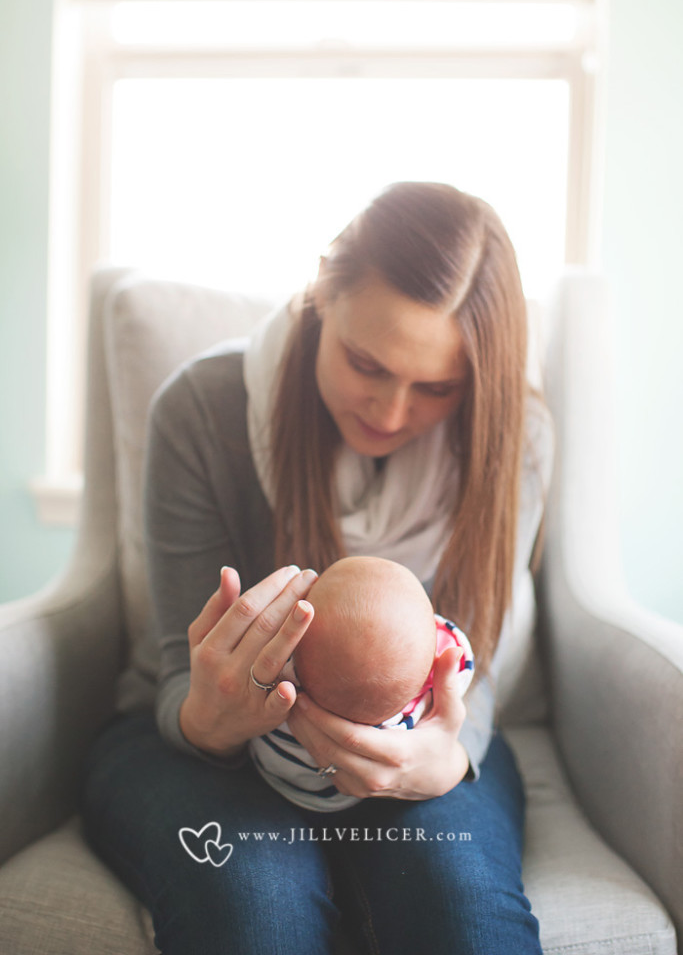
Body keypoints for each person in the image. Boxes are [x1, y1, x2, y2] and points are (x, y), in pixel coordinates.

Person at [81, 181, 553, 955]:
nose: (391, 412)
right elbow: (174, 674)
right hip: (188, 748)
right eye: (366, 363)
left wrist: (446, 756)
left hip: (415, 744)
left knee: (464, 919)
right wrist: (210, 719)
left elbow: (479, 664)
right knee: (255, 912)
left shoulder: (515, 442)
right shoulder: (203, 411)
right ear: (321, 294)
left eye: (436, 387)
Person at [249, 555, 475, 810]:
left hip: (276, 777)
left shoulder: (279, 677)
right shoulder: (412, 714)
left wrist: (456, 761)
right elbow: (458, 662)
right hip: (383, 796)